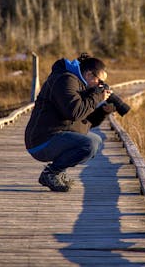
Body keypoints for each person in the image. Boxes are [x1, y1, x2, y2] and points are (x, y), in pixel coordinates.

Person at [24, 53, 115, 192]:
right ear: (89, 75)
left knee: (95, 140)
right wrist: (96, 97)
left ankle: (58, 172)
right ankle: (51, 173)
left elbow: (82, 122)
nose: (100, 86)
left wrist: (103, 111)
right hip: (41, 140)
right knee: (89, 144)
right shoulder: (65, 80)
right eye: (100, 82)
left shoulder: (78, 83)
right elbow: (74, 112)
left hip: (55, 135)